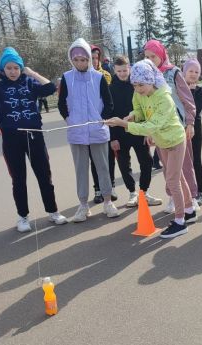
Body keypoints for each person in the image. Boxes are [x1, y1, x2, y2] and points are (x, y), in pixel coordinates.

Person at [0, 47, 68, 232]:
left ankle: (53, 212)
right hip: (11, 139)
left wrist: (32, 72)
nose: (13, 72)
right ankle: (23, 217)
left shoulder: (30, 83)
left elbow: (50, 88)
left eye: (16, 68)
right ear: (3, 69)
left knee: (44, 176)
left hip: (34, 136)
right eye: (8, 68)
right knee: (18, 179)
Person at [107, 60, 197, 238]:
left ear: (151, 81)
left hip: (176, 140)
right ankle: (189, 209)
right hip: (162, 141)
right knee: (178, 177)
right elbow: (139, 110)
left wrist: (123, 123)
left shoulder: (164, 98)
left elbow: (150, 126)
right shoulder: (138, 94)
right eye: (135, 85)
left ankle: (180, 221)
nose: (138, 88)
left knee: (172, 181)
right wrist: (132, 116)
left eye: (141, 85)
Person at [58, 38, 119, 222]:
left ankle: (108, 201)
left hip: (97, 130)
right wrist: (70, 120)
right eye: (76, 60)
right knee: (81, 169)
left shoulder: (99, 77)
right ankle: (83, 205)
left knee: (102, 167)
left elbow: (109, 103)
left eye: (84, 59)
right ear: (71, 60)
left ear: (90, 60)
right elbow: (62, 104)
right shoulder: (67, 78)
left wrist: (101, 120)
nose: (80, 63)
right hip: (76, 132)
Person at [143, 39, 199, 214]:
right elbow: (147, 106)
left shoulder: (174, 73)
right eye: (147, 57)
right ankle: (173, 197)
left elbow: (188, 99)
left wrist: (190, 122)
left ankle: (192, 198)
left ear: (161, 54)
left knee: (185, 165)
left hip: (178, 128)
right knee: (168, 167)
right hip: (160, 131)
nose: (151, 60)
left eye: (153, 56)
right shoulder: (147, 77)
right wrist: (149, 130)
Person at [109, 55, 162, 208]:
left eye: (124, 70)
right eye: (119, 71)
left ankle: (143, 193)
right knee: (124, 165)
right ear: (114, 70)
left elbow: (147, 109)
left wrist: (148, 131)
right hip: (119, 134)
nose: (122, 73)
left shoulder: (139, 85)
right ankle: (132, 193)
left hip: (140, 130)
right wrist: (113, 138)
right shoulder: (110, 89)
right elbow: (108, 113)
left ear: (129, 68)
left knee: (147, 161)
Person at [89, 44, 116, 203]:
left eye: (95, 58)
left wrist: (107, 119)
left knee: (109, 158)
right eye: (90, 58)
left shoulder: (106, 75)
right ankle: (98, 190)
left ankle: (110, 187)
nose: (93, 61)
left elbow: (109, 100)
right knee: (94, 159)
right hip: (90, 125)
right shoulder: (81, 76)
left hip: (106, 122)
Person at [183, 59, 202, 205]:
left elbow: (195, 109)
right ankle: (186, 192)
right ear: (184, 71)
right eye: (190, 71)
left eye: (196, 72)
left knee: (196, 160)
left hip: (195, 128)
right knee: (183, 162)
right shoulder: (178, 87)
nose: (193, 74)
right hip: (179, 128)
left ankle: (200, 191)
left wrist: (191, 91)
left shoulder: (200, 90)